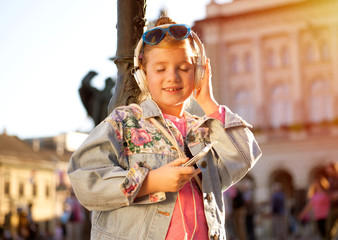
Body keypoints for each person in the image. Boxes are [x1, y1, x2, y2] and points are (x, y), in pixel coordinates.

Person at [68, 16, 262, 240]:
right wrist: (149, 182)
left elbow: (244, 157)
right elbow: (84, 179)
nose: (172, 77)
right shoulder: (124, 122)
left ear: (199, 73)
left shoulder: (203, 130)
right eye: (160, 69)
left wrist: (209, 102)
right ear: (143, 74)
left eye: (184, 68)